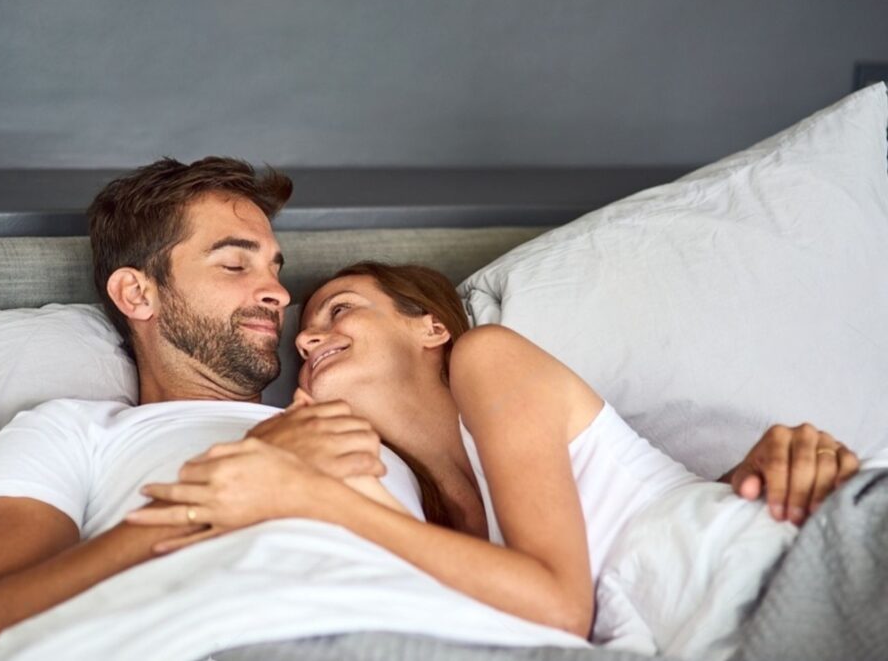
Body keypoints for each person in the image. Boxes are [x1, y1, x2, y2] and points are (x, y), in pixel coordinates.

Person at [0, 157, 858, 645]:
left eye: (280, 269)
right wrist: (229, 498)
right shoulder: (71, 431)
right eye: (235, 261)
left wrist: (749, 476)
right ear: (137, 295)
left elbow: (572, 567)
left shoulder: (431, 430)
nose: (279, 297)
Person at [127, 261, 862, 637]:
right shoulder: (442, 528)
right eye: (305, 338)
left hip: (797, 561)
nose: (309, 339)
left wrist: (312, 498)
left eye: (339, 310)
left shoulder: (487, 357)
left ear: (429, 329)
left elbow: (562, 602)